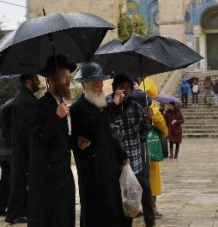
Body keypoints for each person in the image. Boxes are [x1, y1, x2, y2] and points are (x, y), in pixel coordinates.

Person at [70, 62, 130, 227]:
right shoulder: (78, 108)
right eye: (95, 84)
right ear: (85, 85)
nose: (100, 87)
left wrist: (121, 154)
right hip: (93, 171)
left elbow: (108, 136)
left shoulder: (99, 108)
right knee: (95, 211)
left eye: (101, 83)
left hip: (107, 166)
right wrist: (114, 106)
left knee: (110, 209)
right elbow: (95, 128)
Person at [28, 55, 76, 227]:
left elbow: (62, 137)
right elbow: (38, 137)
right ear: (54, 81)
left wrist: (76, 141)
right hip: (47, 178)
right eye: (66, 78)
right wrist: (57, 117)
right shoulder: (40, 105)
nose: (69, 82)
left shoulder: (63, 104)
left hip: (62, 172)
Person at [111, 74, 154, 226]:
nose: (125, 90)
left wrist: (148, 121)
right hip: (116, 163)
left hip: (136, 160)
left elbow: (143, 134)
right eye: (121, 87)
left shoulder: (136, 107)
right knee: (120, 201)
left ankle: (149, 221)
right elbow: (111, 135)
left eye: (128, 87)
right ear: (115, 89)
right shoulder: (108, 107)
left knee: (142, 196)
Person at [5, 74, 40, 224]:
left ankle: (20, 211)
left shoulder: (26, 97)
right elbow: (26, 127)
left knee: (21, 181)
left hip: (24, 149)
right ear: (28, 81)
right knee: (18, 182)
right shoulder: (23, 100)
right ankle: (13, 214)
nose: (38, 82)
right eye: (36, 79)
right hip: (23, 150)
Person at [138, 77, 169, 220]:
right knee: (151, 178)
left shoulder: (127, 103)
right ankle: (151, 208)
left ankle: (135, 206)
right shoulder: (151, 107)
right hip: (149, 147)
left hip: (131, 147)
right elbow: (163, 127)